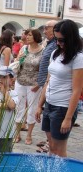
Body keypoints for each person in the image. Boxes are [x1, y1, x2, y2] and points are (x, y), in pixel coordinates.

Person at [35, 19, 83, 157]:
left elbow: (77, 90)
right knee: (51, 146)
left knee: (59, 149)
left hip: (63, 107)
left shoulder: (78, 58)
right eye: (56, 39)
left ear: (71, 38)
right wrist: (40, 105)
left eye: (61, 40)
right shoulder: (55, 53)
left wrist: (68, 118)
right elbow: (48, 81)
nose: (58, 43)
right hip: (50, 104)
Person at [14, 29, 44, 145]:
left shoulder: (43, 51)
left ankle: (29, 135)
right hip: (20, 81)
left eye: (30, 35)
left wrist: (39, 84)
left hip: (34, 84)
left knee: (32, 108)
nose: (27, 37)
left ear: (36, 37)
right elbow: (17, 64)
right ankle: (17, 134)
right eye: (27, 35)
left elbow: (44, 69)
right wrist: (18, 58)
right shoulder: (24, 48)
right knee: (19, 107)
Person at [35, 20, 58, 153]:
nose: (44, 31)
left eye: (46, 28)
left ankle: (51, 143)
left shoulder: (56, 44)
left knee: (50, 117)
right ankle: (49, 140)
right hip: (45, 83)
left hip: (50, 84)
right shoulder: (50, 43)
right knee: (46, 117)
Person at [0, 66, 18, 152]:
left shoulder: (14, 93)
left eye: (4, 77)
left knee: (5, 155)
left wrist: (4, 91)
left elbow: (12, 105)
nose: (1, 79)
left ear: (11, 79)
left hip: (7, 134)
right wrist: (4, 105)